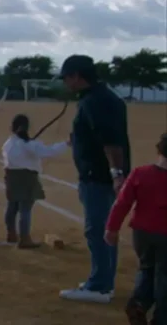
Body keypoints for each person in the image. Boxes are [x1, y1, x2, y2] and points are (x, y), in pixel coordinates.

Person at [58, 54, 131, 303]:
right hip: (100, 174)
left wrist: (116, 173)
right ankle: (103, 280)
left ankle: (99, 286)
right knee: (105, 229)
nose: (65, 82)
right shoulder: (104, 97)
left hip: (97, 176)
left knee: (97, 229)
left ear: (77, 76)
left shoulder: (94, 101)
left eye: (67, 77)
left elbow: (111, 141)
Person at [104, 133, 167, 325]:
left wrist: (112, 228)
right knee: (164, 276)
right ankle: (161, 318)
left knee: (146, 268)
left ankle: (139, 303)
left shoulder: (140, 173)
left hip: (142, 233)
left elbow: (122, 203)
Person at [2, 114, 69, 248]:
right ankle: (24, 238)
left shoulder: (8, 143)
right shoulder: (29, 144)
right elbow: (49, 151)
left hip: (11, 177)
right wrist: (66, 143)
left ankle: (11, 233)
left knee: (12, 206)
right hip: (27, 178)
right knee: (25, 209)